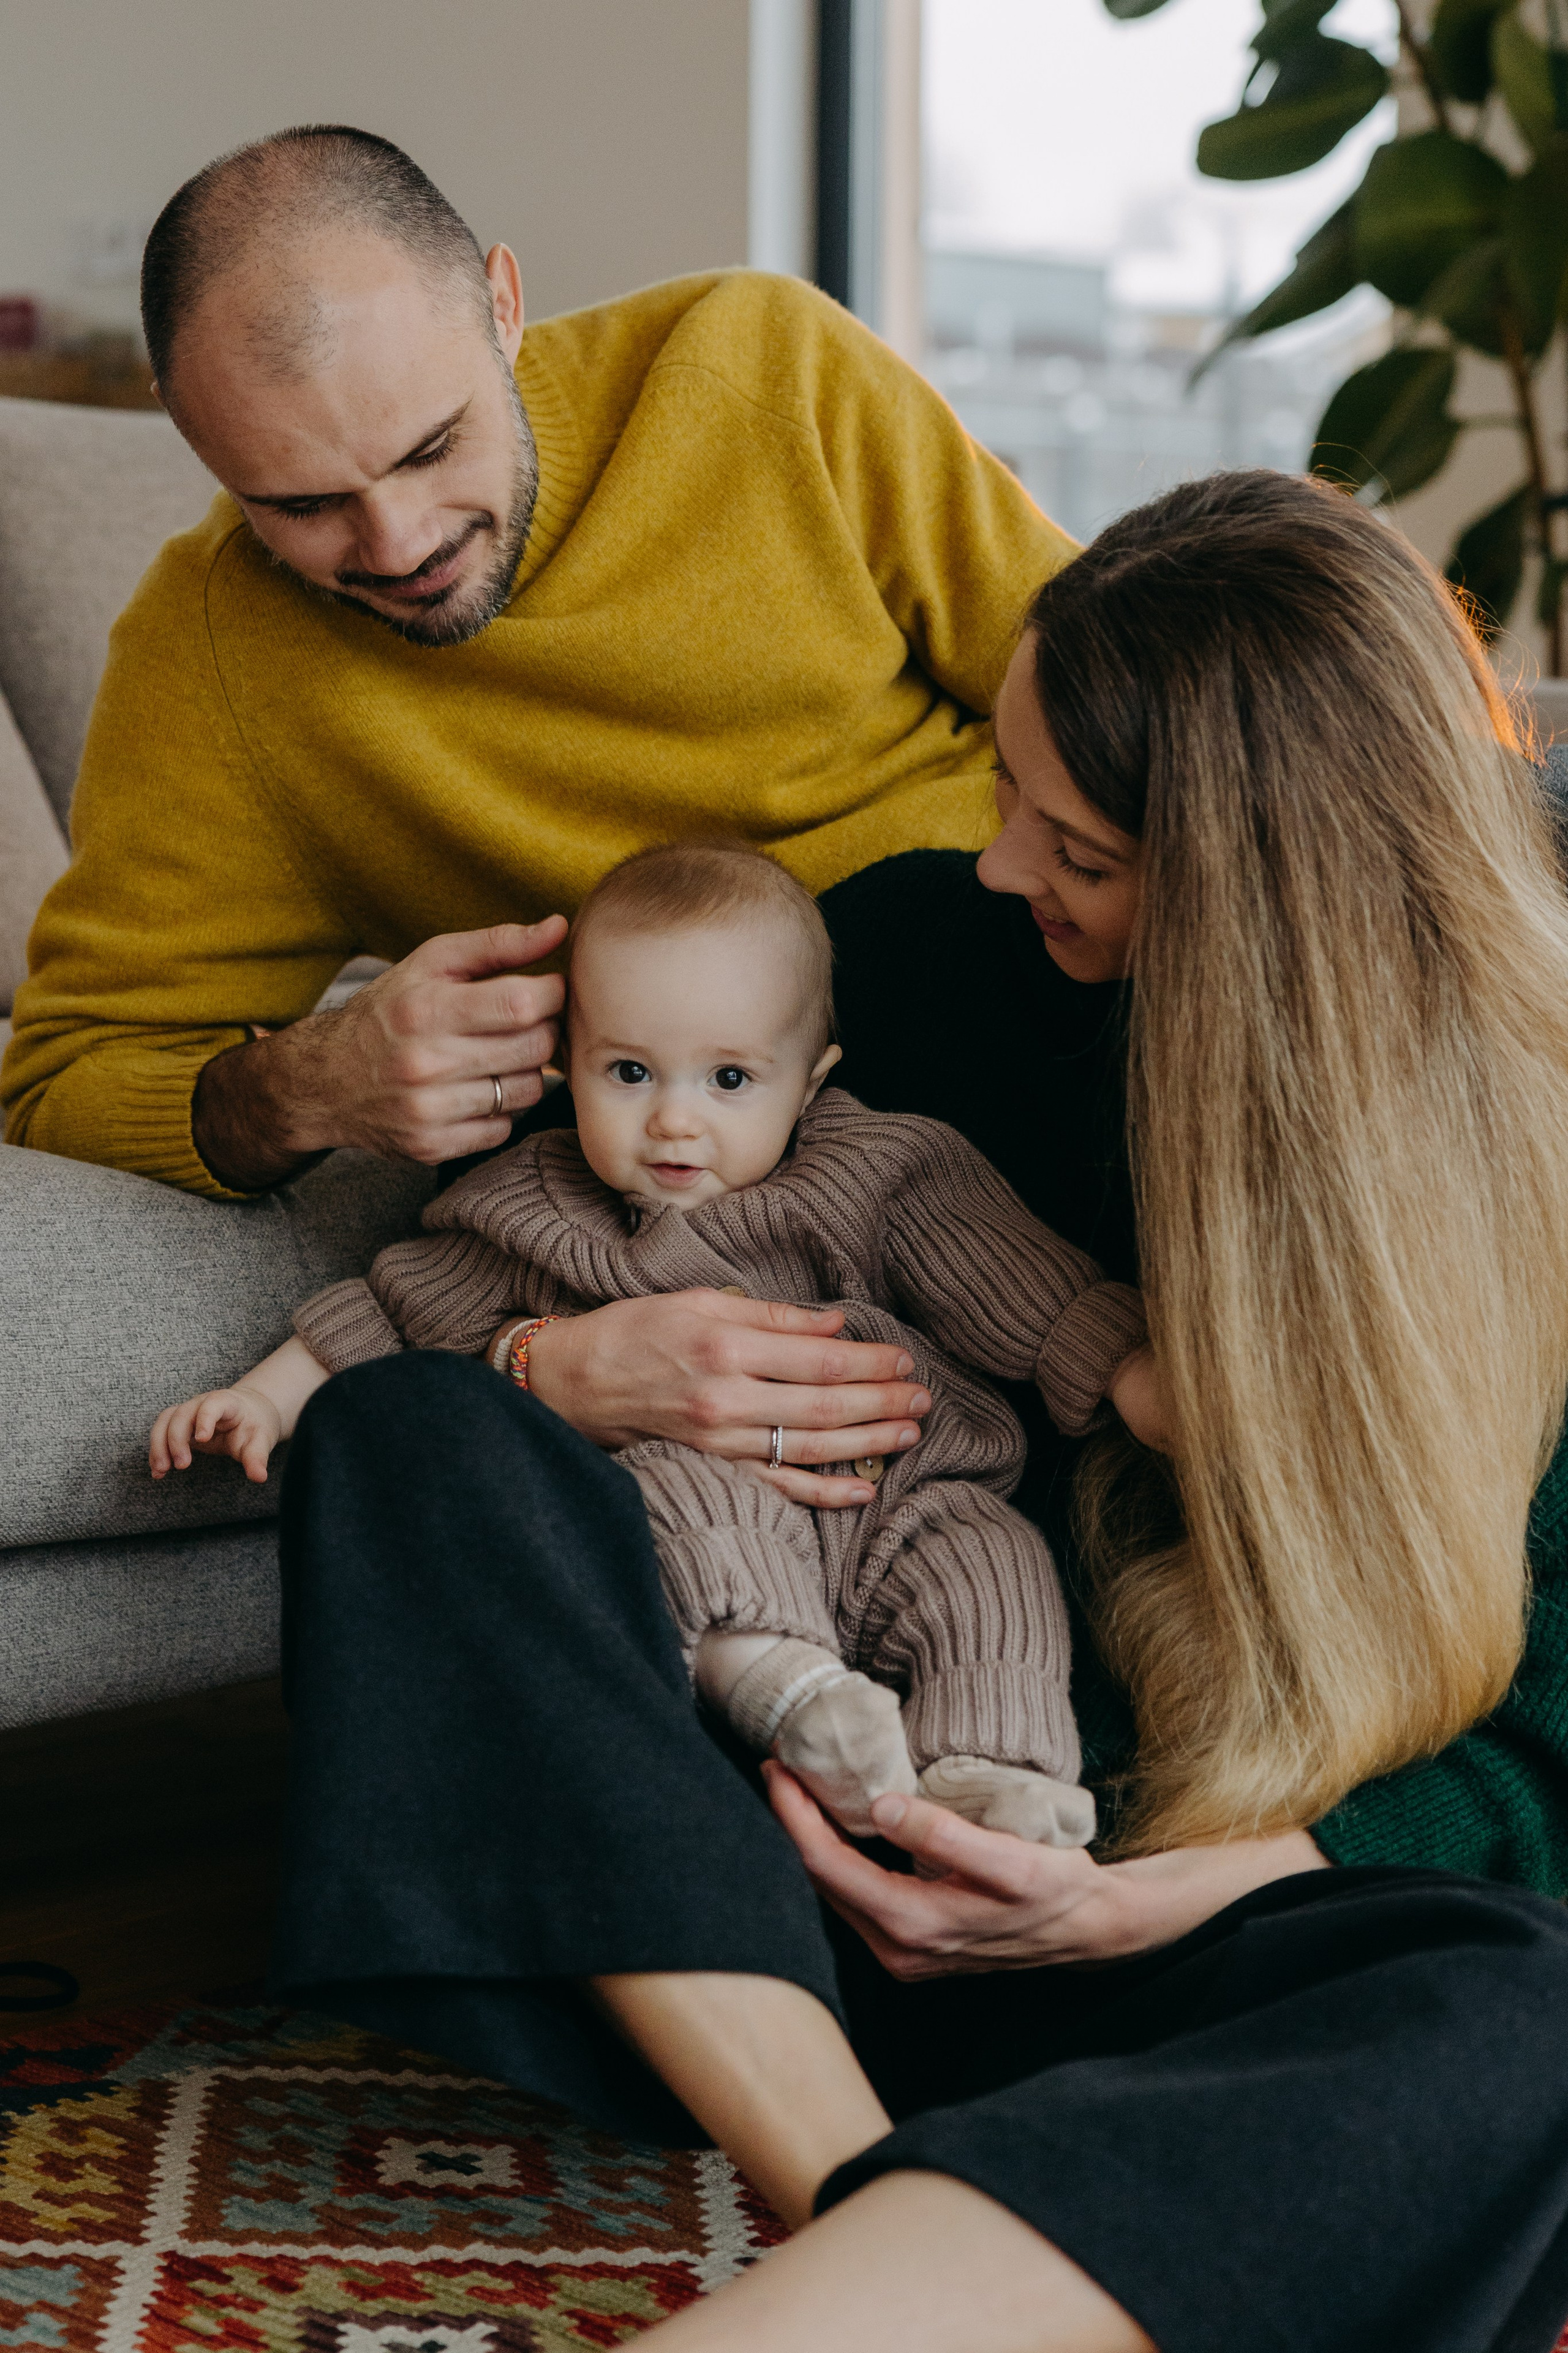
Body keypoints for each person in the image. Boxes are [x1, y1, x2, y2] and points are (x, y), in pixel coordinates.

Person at [270, 473, 1568, 2353]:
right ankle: (860, 2196)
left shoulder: (1526, 1146)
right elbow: (572, 1201)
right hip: (751, 1856)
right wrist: (553, 1372)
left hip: (1164, 1913)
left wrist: (1146, 1903)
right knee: (403, 1441)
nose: (1000, 867)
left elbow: (1544, 1753)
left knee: (1524, 2018)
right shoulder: (918, 961)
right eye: (1006, 792)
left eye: (1079, 846)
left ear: (1264, 887)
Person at [150, 839, 1169, 1845]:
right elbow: (387, 1311)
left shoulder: (884, 1165)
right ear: (568, 1066)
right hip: (711, 1489)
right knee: (676, 1490)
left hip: (907, 1494)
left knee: (994, 1564)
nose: (675, 1122)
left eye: (730, 1079)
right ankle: (785, 1688)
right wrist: (263, 1398)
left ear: (811, 1080)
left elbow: (1025, 1288)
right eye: (631, 1072)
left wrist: (1134, 1375)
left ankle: (995, 1772)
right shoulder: (529, 1201)